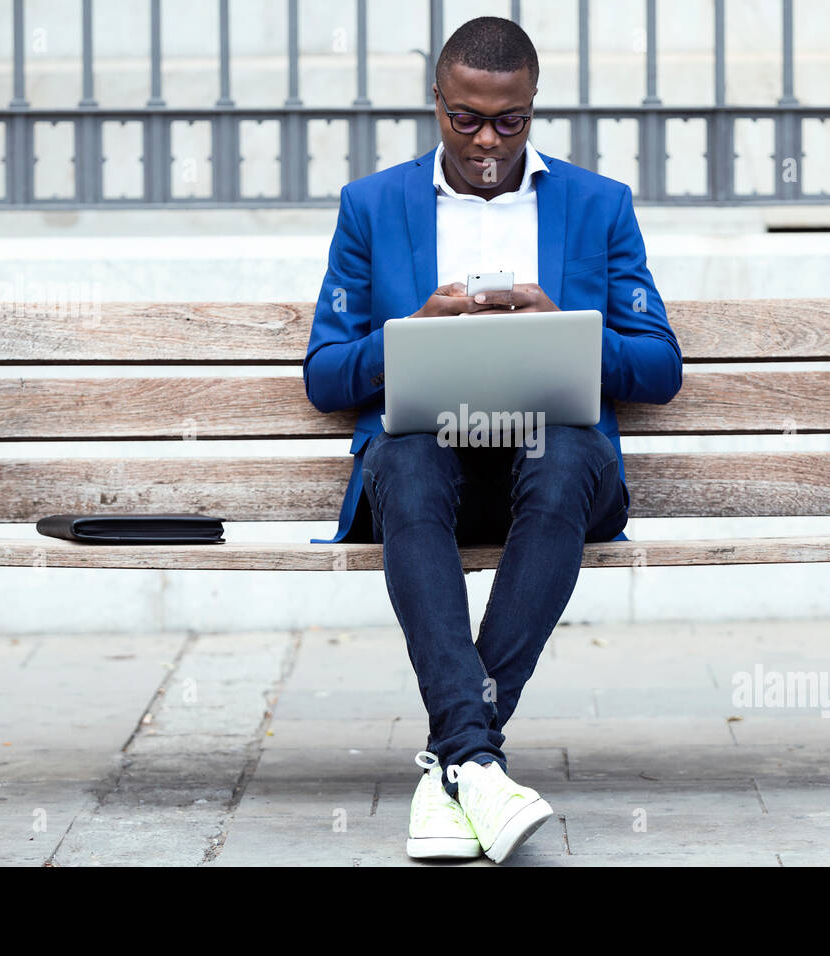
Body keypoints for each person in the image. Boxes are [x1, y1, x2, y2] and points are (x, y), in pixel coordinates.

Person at [302, 16, 682, 863]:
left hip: (557, 473)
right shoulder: (373, 207)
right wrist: (405, 333)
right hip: (429, 464)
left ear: (534, 105)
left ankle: (456, 756)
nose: (486, 141)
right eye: (465, 118)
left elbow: (660, 366)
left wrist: (574, 331)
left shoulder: (598, 206)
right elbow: (325, 374)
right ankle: (473, 760)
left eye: (509, 121)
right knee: (403, 457)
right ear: (435, 102)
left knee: (565, 455)